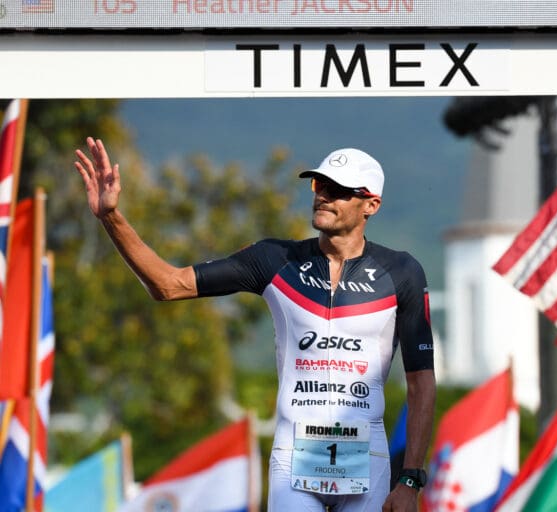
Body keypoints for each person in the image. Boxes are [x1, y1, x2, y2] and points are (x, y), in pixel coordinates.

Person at [75, 137, 436, 512]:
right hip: (293, 451)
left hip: (369, 455)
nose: (323, 196)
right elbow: (168, 284)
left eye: (339, 191)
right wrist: (111, 217)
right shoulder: (275, 259)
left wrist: (410, 478)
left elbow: (420, 382)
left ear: (370, 205)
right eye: (319, 185)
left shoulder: (402, 272)